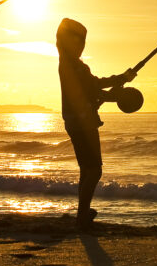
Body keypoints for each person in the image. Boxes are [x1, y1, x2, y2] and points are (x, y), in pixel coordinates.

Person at [56, 17, 136, 230]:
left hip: (80, 121)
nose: (81, 46)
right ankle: (82, 216)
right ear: (66, 42)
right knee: (94, 170)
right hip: (82, 122)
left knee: (87, 169)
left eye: (82, 42)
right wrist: (119, 89)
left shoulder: (74, 65)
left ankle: (83, 213)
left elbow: (94, 87)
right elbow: (93, 90)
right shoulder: (70, 66)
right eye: (77, 41)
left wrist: (120, 81)